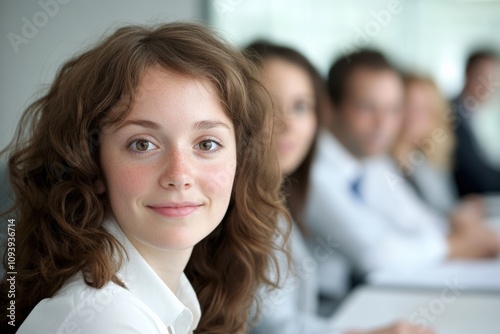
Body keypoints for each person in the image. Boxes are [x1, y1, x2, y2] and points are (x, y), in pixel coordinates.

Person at [0, 23, 290, 334]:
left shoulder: (168, 299)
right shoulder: (108, 321)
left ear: (239, 160)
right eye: (143, 144)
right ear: (91, 163)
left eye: (207, 144)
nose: (179, 175)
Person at [246, 41, 434, 334]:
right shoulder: (238, 205)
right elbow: (273, 329)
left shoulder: (276, 191)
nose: (287, 123)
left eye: (300, 107)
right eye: (268, 105)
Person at [303, 50, 500, 281]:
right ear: (328, 108)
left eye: (393, 109)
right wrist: (456, 245)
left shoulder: (371, 162)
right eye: (367, 107)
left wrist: (460, 234)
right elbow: (374, 256)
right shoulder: (313, 173)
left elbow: (416, 220)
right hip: (331, 305)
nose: (383, 124)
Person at [392, 74, 458, 214]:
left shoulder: (429, 160)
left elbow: (445, 207)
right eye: (409, 106)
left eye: (425, 109)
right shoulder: (385, 166)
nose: (416, 116)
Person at [451, 49, 500, 196]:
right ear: (467, 73)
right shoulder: (451, 115)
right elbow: (476, 174)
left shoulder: (482, 115)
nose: (488, 86)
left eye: (494, 78)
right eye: (483, 77)